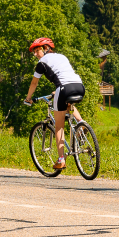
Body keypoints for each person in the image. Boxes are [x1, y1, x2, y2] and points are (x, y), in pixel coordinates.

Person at [24, 37, 85, 170]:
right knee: (68, 104)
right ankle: (81, 123)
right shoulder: (62, 57)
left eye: (36, 50)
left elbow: (34, 83)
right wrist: (57, 91)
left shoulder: (41, 63)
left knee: (59, 127)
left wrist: (28, 98)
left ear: (46, 48)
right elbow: (64, 75)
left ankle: (61, 160)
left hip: (63, 88)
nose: (35, 54)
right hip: (79, 86)